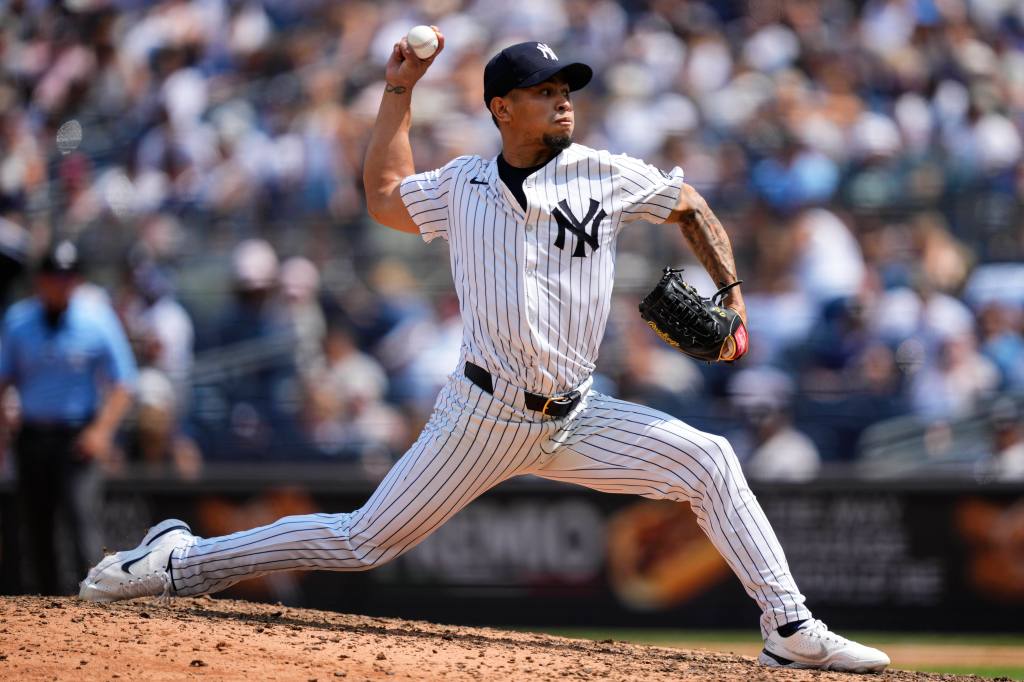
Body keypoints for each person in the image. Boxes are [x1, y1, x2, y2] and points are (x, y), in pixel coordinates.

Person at [79, 32, 889, 673]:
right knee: (362, 542)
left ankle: (791, 627)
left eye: (567, 89)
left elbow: (691, 204)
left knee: (710, 460)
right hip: (480, 413)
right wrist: (398, 89)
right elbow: (383, 197)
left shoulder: (605, 173)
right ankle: (180, 563)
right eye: (545, 91)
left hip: (577, 414)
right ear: (502, 107)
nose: (563, 101)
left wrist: (733, 291)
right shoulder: (462, 185)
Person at [0, 241, 137, 594]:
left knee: (82, 524)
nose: (61, 284)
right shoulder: (19, 321)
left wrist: (102, 432)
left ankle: (94, 603)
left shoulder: (96, 319)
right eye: (53, 276)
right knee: (36, 528)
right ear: (39, 280)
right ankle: (46, 614)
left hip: (78, 438)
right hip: (31, 436)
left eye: (67, 276)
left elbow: (124, 382)